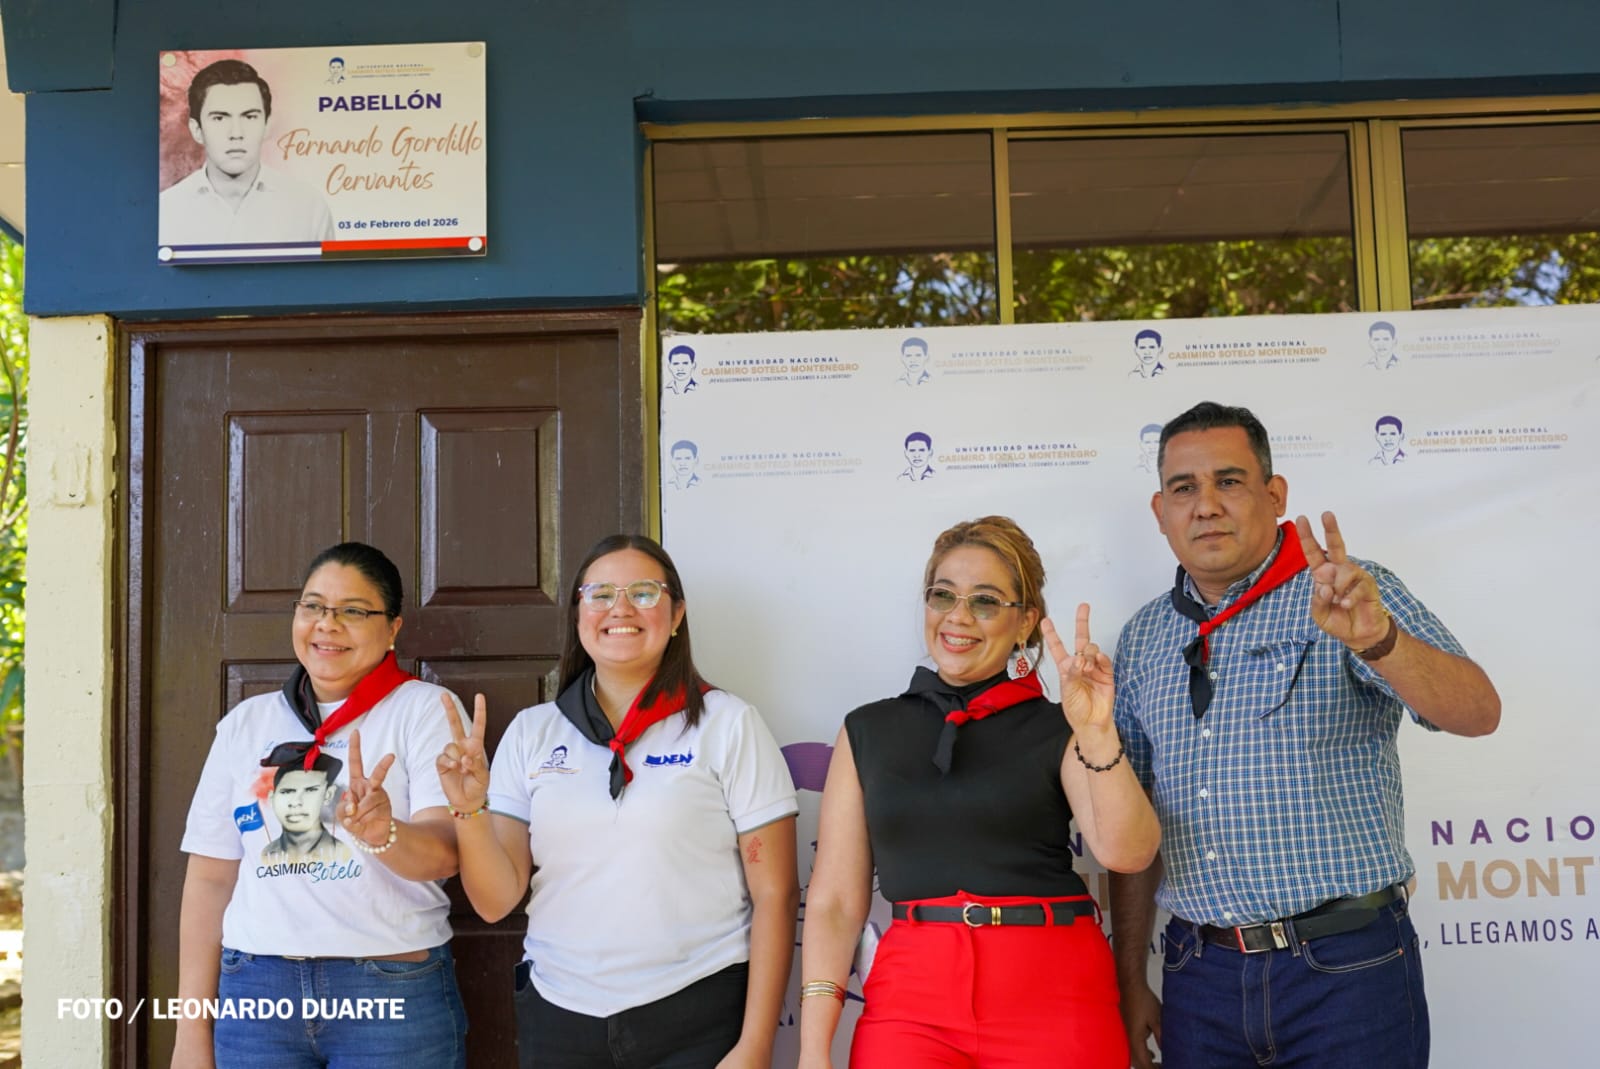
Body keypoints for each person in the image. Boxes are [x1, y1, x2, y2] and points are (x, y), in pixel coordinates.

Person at [1110, 401, 1500, 1069]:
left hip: (1346, 969)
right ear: (1160, 511)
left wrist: (1380, 641)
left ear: (1274, 492)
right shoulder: (1144, 638)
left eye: (1228, 481)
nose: (1205, 505)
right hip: (1198, 977)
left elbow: (1477, 710)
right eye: (1184, 488)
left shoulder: (1346, 594)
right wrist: (1127, 979)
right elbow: (1131, 826)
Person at [798, 516, 1160, 1068]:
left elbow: (1126, 852)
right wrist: (812, 1051)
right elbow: (834, 904)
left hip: (1054, 995)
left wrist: (1098, 730)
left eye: (986, 601)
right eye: (943, 595)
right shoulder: (868, 730)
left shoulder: (1061, 725)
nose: (959, 616)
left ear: (1026, 624)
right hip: (912, 1002)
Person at [436, 533, 799, 1069]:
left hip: (697, 1009)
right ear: (580, 615)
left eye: (644, 593)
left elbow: (776, 894)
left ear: (676, 614)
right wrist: (468, 810)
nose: (620, 609)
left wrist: (756, 1044)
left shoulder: (727, 724)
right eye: (600, 593)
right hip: (560, 1013)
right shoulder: (533, 732)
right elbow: (494, 902)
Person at [174, 542, 468, 1069]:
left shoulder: (425, 712)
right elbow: (210, 879)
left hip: (387, 988)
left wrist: (384, 832)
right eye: (313, 607)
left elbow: (448, 852)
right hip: (256, 993)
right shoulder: (247, 723)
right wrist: (190, 1034)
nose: (327, 624)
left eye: (353, 611)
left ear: (393, 627)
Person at [159, 58, 336, 248]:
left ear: (266, 125)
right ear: (197, 130)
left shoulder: (309, 206)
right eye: (219, 118)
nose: (236, 133)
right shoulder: (166, 209)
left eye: (250, 117)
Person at [258, 754, 351, 863]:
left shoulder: (342, 850)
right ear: (272, 798)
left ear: (328, 795)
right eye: (287, 792)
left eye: (310, 790)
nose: (297, 801)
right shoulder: (268, 854)